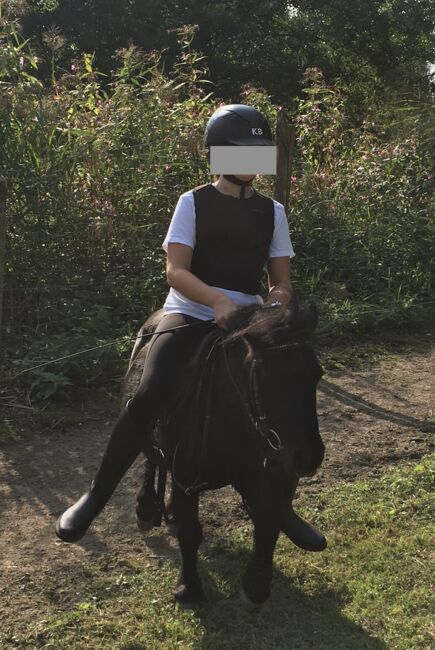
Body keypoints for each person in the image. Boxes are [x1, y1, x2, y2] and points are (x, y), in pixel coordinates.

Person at [55, 104, 326, 551]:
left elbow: (281, 281)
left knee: (284, 393)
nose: (257, 163)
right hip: (192, 310)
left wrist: (276, 305)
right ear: (220, 155)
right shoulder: (193, 202)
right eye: (248, 152)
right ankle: (95, 497)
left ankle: (282, 506)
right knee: (148, 392)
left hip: (247, 318)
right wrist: (216, 300)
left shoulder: (272, 211)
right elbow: (176, 271)